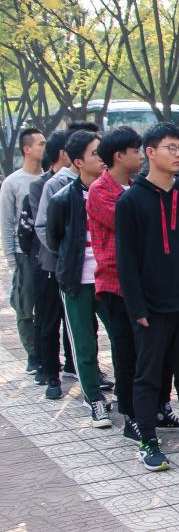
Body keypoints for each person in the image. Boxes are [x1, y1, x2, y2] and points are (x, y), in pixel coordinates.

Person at [116, 123, 179, 471]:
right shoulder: (130, 201)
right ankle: (147, 439)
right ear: (150, 152)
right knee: (148, 376)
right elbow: (126, 261)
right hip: (152, 308)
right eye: (170, 148)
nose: (178, 154)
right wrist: (136, 307)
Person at [88, 126, 179, 440]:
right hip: (117, 286)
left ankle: (159, 407)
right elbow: (136, 226)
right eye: (135, 151)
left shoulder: (137, 188)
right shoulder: (101, 191)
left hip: (150, 285)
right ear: (119, 156)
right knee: (127, 353)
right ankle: (131, 414)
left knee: (160, 351)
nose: (141, 155)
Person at [46, 130, 118, 429]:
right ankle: (94, 399)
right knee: (84, 345)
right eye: (95, 154)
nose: (102, 159)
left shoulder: (117, 192)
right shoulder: (63, 199)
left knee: (122, 337)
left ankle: (126, 393)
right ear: (78, 162)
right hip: (77, 281)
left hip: (110, 279)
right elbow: (54, 240)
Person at [29, 132, 76, 396]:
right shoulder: (42, 186)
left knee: (79, 322)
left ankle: (75, 366)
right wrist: (64, 252)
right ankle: (51, 375)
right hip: (50, 264)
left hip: (76, 266)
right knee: (49, 321)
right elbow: (43, 227)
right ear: (65, 154)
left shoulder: (87, 182)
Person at [1, 127, 45, 372]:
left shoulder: (49, 179)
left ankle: (47, 353)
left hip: (46, 252)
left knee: (47, 307)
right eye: (40, 143)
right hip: (23, 253)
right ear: (27, 149)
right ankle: (33, 354)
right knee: (25, 306)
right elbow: (7, 222)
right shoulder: (13, 182)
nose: (44, 147)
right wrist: (11, 258)